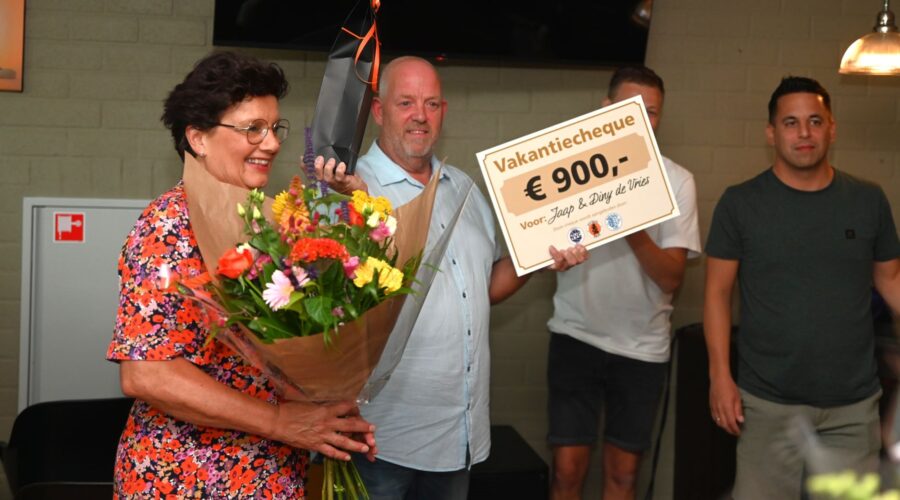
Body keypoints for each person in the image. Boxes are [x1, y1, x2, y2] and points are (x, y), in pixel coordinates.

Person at [106, 51, 375, 499]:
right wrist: (280, 420)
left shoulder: (262, 223)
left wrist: (328, 416)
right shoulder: (169, 226)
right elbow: (147, 373)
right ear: (198, 138)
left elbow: (267, 358)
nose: (271, 143)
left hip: (269, 472)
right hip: (186, 480)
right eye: (253, 128)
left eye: (274, 128)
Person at [316, 55, 587, 499]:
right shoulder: (345, 191)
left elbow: (484, 289)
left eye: (431, 104)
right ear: (379, 111)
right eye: (406, 102)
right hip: (379, 440)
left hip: (456, 438)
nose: (420, 115)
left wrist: (539, 255)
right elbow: (325, 307)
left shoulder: (464, 189)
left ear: (444, 112)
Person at [704, 76, 900, 499]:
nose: (804, 133)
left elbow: (891, 282)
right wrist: (720, 376)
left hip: (853, 407)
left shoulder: (868, 200)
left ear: (832, 128)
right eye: (790, 123)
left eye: (815, 121)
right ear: (771, 133)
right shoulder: (740, 203)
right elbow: (717, 294)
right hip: (768, 404)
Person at [545, 65, 701, 500]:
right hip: (575, 335)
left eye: (651, 111)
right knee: (566, 471)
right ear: (606, 108)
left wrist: (631, 223)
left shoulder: (678, 181)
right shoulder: (569, 170)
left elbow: (671, 277)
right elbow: (537, 250)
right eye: (631, 107)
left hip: (642, 349)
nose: (641, 119)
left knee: (623, 476)